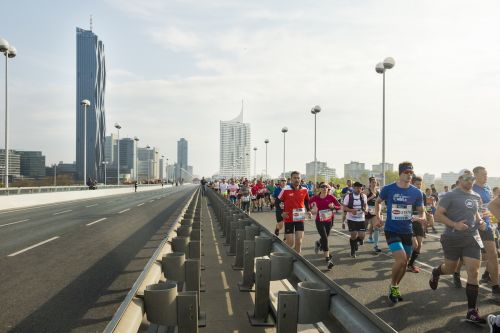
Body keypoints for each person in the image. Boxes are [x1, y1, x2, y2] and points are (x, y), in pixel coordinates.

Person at [429, 170, 489, 323]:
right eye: (467, 178)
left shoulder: (476, 196)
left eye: (472, 179)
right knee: (450, 269)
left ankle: (471, 311)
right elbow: (438, 215)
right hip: (452, 238)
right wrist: (454, 224)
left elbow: (476, 214)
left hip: (471, 238)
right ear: (460, 179)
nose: (470, 181)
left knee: (473, 272)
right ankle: (436, 271)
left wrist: (481, 222)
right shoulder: (450, 195)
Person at [374, 161, 424, 304]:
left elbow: (421, 210)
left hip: (407, 231)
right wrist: (378, 217)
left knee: (405, 262)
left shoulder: (416, 192)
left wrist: (422, 218)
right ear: (400, 173)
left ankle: (395, 286)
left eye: (411, 173)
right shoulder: (388, 189)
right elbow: (378, 202)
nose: (409, 176)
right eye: (406, 173)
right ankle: (393, 285)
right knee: (401, 260)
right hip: (391, 230)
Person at [471, 166, 499, 292]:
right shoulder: (471, 189)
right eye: (483, 174)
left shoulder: (487, 188)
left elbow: (489, 207)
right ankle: (455, 272)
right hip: (473, 228)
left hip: (487, 226)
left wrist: (491, 217)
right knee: (471, 258)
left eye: (486, 174)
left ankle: (495, 286)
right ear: (475, 175)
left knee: (492, 255)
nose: (486, 176)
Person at [278, 171, 311, 253]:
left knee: (299, 242)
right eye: (295, 178)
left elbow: (306, 201)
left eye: (298, 178)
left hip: (299, 217)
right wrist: (281, 212)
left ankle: (296, 260)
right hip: (289, 218)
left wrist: (309, 210)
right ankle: (281, 254)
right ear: (291, 179)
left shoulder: (305, 190)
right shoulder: (285, 190)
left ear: (300, 179)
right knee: (290, 243)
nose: (297, 179)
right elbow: (277, 202)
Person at [310, 182, 341, 269]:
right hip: (319, 221)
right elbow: (308, 202)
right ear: (319, 188)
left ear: (328, 189)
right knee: (325, 238)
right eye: (322, 186)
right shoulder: (316, 197)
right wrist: (310, 210)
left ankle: (318, 243)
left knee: (325, 236)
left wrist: (333, 207)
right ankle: (328, 259)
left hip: (329, 220)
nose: (324, 188)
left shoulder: (331, 197)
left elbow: (339, 206)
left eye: (326, 187)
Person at [407, 176, 427, 273]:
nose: (419, 186)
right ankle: (404, 260)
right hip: (408, 222)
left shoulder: (422, 194)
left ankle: (410, 265)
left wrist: (424, 218)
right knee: (414, 245)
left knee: (419, 245)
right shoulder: (407, 193)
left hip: (418, 222)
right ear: (412, 183)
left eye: (420, 184)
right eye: (417, 184)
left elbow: (423, 209)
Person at [343, 181, 368, 258]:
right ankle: (352, 250)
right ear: (353, 188)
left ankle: (355, 243)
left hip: (361, 218)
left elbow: (365, 205)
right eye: (357, 188)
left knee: (362, 236)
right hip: (351, 218)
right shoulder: (348, 196)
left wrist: (366, 210)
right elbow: (344, 207)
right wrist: (351, 210)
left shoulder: (364, 196)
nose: (358, 189)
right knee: (353, 234)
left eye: (360, 188)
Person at [365, 177, 381, 252]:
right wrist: (371, 197)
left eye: (375, 182)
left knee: (376, 227)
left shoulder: (378, 191)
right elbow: (363, 201)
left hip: (374, 210)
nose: (374, 183)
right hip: (367, 210)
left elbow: (379, 202)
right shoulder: (367, 190)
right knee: (363, 228)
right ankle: (359, 238)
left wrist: (379, 211)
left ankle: (376, 245)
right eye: (372, 182)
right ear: (370, 183)